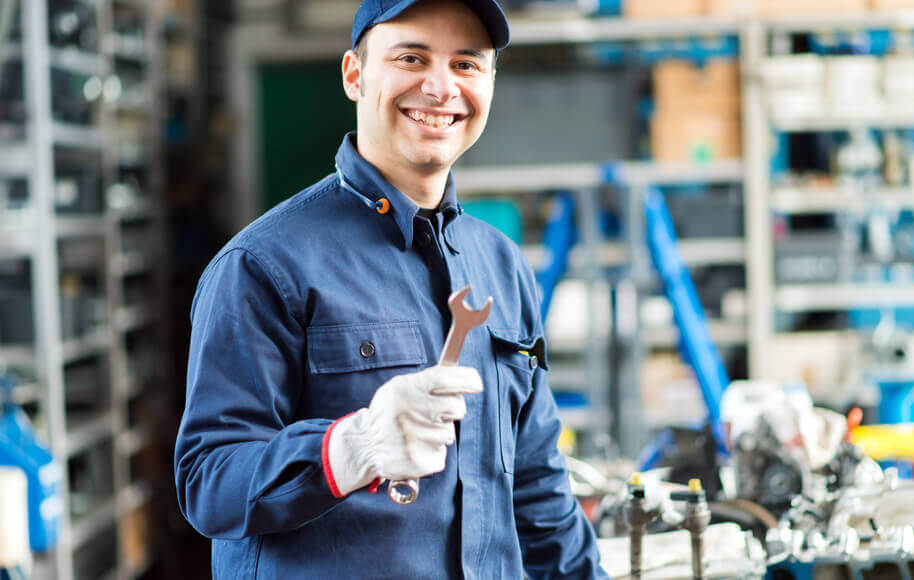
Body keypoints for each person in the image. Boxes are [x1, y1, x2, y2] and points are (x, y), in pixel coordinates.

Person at [174, 0, 608, 577]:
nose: (440, 87)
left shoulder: (500, 265)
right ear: (354, 73)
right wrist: (352, 448)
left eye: (466, 64)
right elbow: (210, 482)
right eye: (412, 57)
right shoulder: (262, 265)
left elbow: (536, 486)